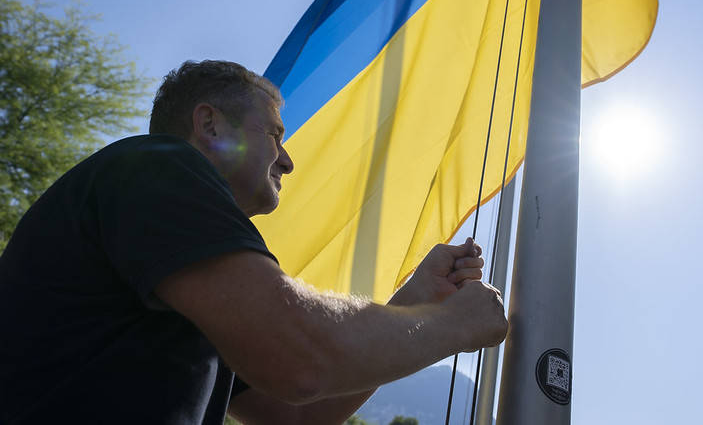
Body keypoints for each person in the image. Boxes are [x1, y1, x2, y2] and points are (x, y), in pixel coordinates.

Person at [0, 60, 508, 424]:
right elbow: (300, 360)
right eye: (274, 134)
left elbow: (295, 411)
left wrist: (416, 299)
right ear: (209, 125)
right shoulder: (157, 167)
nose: (287, 160)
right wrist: (455, 325)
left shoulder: (190, 274)